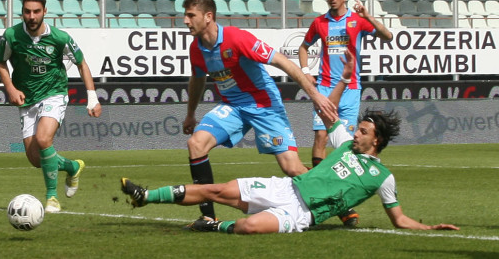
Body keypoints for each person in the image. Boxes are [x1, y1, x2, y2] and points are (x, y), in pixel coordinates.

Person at [119, 52, 460, 235]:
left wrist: (430, 227)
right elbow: (328, 112)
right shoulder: (343, 142)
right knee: (217, 190)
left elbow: (399, 219)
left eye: (363, 131)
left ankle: (210, 226)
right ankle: (144, 196)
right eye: (357, 129)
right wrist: (340, 81)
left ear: (377, 141)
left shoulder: (384, 178)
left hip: (302, 213)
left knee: (249, 227)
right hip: (286, 189)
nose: (355, 133)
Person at [179, 0, 336, 227]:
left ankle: (338, 199)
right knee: (196, 143)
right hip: (233, 107)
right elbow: (198, 79)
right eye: (185, 15)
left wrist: (315, 96)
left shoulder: (237, 38)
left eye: (191, 15)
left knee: (291, 167)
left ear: (208, 16)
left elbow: (282, 61)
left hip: (263, 105)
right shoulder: (196, 48)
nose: (185, 20)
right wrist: (191, 113)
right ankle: (208, 216)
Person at [0, 0, 102, 214]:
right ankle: (73, 167)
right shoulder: (12, 35)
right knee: (36, 160)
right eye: (27, 12)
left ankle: (51, 197)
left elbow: (82, 64)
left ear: (45, 12)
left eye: (36, 11)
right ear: (22, 13)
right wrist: (11, 89)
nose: (32, 16)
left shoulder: (60, 38)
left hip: (54, 93)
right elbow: (0, 62)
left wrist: (92, 97)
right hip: (27, 100)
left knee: (44, 140)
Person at [298, 0, 392, 223]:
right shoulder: (319, 22)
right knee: (320, 136)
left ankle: (340, 200)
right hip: (326, 87)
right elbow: (303, 47)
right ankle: (316, 190)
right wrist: (306, 71)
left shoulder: (357, 20)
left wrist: (368, 16)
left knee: (347, 144)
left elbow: (388, 36)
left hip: (351, 88)